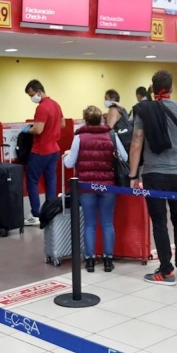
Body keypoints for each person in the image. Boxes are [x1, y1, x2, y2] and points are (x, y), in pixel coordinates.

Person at [129, 70, 177, 286]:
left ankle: (166, 271)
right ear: (172, 88)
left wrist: (133, 175)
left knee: (159, 222)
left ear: (153, 89)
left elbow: (137, 142)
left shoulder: (143, 110)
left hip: (153, 174)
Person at [62, 106, 127, 273]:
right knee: (107, 223)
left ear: (85, 120)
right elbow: (125, 157)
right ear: (101, 119)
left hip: (86, 187)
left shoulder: (79, 138)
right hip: (108, 186)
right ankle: (108, 260)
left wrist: (66, 156)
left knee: (89, 224)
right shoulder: (111, 135)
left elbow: (69, 163)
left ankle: (90, 261)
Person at [23, 80, 64, 227]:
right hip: (54, 149)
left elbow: (38, 130)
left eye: (32, 95)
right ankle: (50, 211)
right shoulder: (56, 104)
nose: (32, 98)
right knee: (51, 180)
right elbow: (63, 124)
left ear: (38, 92)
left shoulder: (42, 108)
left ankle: (35, 214)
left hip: (40, 150)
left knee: (32, 180)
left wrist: (27, 129)